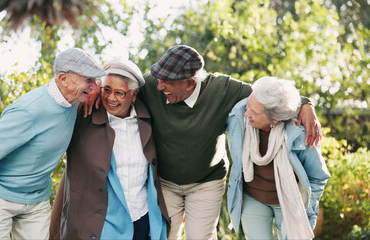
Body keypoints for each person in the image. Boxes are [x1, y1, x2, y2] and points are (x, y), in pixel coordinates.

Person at [86, 45, 322, 239]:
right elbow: (119, 86)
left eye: (167, 82)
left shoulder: (223, 89)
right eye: (158, 79)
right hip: (165, 182)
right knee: (163, 236)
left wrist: (305, 104)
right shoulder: (151, 86)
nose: (159, 86)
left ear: (189, 83)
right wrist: (98, 88)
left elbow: (270, 97)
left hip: (206, 182)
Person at [0, 48, 106, 239]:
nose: (93, 86)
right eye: (88, 80)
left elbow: (104, 83)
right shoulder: (29, 110)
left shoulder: (74, 100)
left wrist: (95, 88)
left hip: (37, 200)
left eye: (94, 80)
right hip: (0, 197)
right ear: (63, 79)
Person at [49, 58, 169, 240]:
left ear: (134, 95)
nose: (111, 98)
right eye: (107, 90)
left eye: (120, 93)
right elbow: (58, 97)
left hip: (141, 217)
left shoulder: (148, 119)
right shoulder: (84, 114)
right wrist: (92, 88)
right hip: (101, 224)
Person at [226, 76, 330, 239]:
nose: (247, 113)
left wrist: (306, 209)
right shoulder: (239, 119)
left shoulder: (299, 133)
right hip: (253, 198)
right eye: (248, 106)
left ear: (274, 118)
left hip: (290, 202)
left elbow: (318, 177)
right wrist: (306, 103)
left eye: (254, 112)